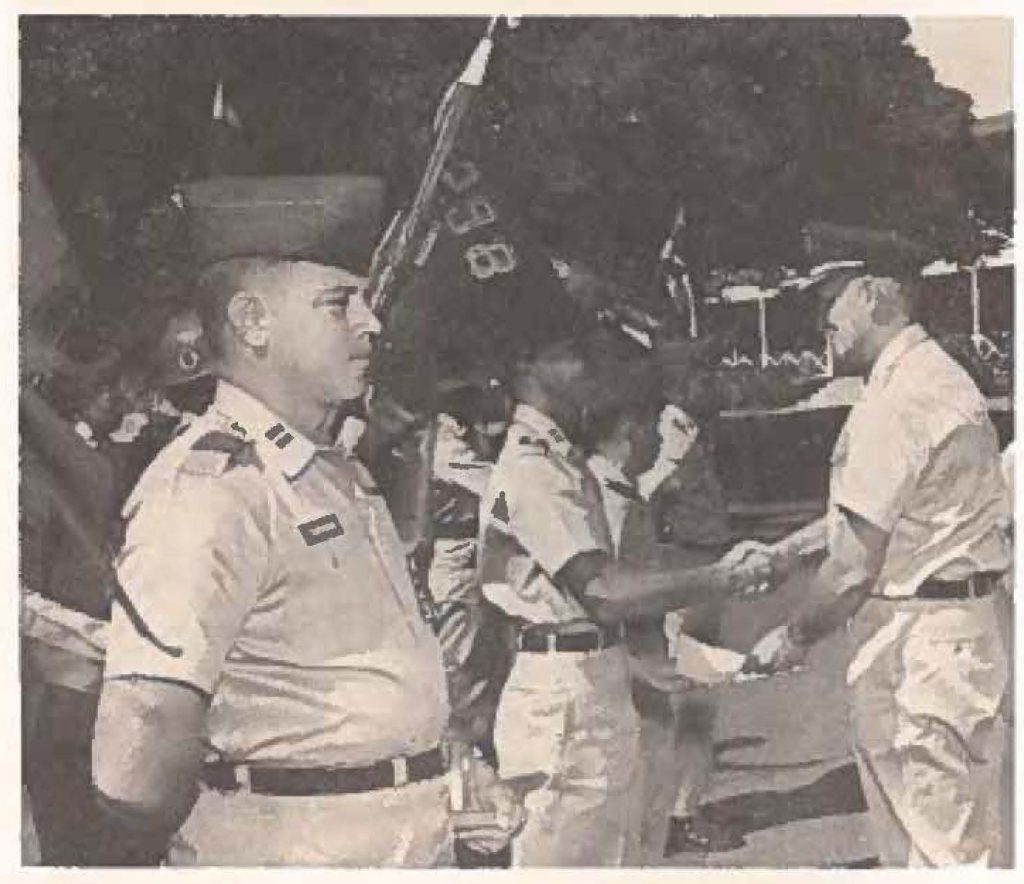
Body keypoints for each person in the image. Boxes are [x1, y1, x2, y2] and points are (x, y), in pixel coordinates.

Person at [91, 229, 520, 863]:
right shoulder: (213, 492)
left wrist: (446, 766)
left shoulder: (332, 470)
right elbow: (138, 754)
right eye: (338, 302)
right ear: (252, 322)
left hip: (407, 839)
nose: (371, 323)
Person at [746, 251, 1012, 866]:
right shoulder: (915, 380)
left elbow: (852, 566)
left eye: (828, 301)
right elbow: (877, 512)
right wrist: (785, 554)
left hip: (920, 645)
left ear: (876, 295)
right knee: (930, 846)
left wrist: (792, 637)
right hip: (935, 635)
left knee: (943, 854)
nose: (820, 322)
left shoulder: (904, 397)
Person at [478, 334, 775, 867]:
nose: (590, 364)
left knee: (621, 853)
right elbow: (604, 591)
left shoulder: (558, 459)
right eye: (573, 350)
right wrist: (719, 577)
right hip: (561, 684)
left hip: (592, 673)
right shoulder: (530, 468)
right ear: (529, 365)